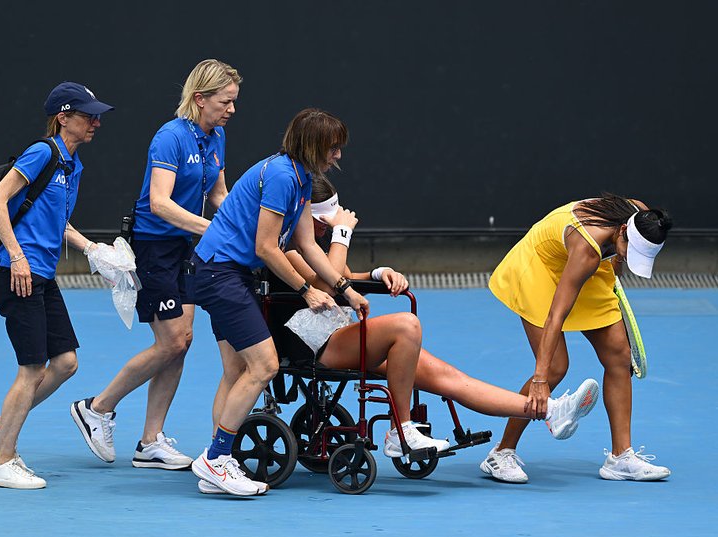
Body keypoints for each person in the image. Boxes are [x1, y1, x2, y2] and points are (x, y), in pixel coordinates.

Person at [280, 178, 600, 462]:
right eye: (321, 223)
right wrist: (342, 233)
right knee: (406, 325)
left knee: (451, 378)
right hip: (313, 343)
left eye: (326, 224)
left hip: (339, 334)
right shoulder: (288, 248)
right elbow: (327, 283)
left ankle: (550, 411)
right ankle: (400, 431)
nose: (322, 230)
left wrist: (379, 273)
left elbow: (346, 275)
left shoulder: (314, 244)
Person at [188, 109, 370, 496]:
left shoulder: (302, 178)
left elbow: (305, 244)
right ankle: (218, 459)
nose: (338, 156)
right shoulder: (282, 177)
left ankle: (217, 461)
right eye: (333, 148)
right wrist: (307, 291)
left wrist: (345, 288)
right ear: (314, 146)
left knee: (237, 370)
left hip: (224, 272)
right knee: (265, 365)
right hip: (220, 273)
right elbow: (267, 247)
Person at [70, 59, 241, 470]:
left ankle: (150, 442)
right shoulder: (170, 137)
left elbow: (218, 194)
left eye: (234, 102)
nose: (232, 109)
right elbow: (160, 203)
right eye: (225, 101)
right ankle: (97, 407)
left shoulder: (215, 136)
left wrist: (244, 224)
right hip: (153, 248)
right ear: (200, 99)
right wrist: (211, 230)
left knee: (181, 343)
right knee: (171, 342)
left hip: (185, 249)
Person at [0, 82, 114, 489]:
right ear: (63, 117)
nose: (96, 122)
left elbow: (57, 221)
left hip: (42, 276)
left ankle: (1, 426)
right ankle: (1, 460)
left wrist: (94, 250)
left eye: (96, 115)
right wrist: (17, 257)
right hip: (18, 272)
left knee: (66, 363)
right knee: (32, 368)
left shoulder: (73, 166)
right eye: (88, 115)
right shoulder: (42, 153)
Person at [480, 195, 673, 483]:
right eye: (628, 251)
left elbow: (614, 258)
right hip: (540, 268)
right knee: (556, 366)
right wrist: (540, 379)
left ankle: (621, 457)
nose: (627, 258)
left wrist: (617, 259)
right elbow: (556, 316)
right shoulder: (587, 248)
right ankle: (500, 453)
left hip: (592, 270)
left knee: (619, 357)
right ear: (622, 232)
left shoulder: (642, 216)